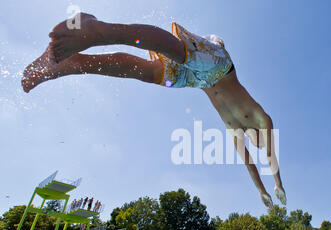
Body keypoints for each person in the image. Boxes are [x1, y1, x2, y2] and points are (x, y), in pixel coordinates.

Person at [22, 12, 287, 208]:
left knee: (147, 73)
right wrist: (278, 183)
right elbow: (270, 158)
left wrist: (262, 191)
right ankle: (100, 30)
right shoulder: (261, 119)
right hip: (219, 66)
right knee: (176, 51)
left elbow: (250, 165)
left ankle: (70, 65)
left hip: (197, 80)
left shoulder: (234, 134)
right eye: (262, 144)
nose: (259, 147)